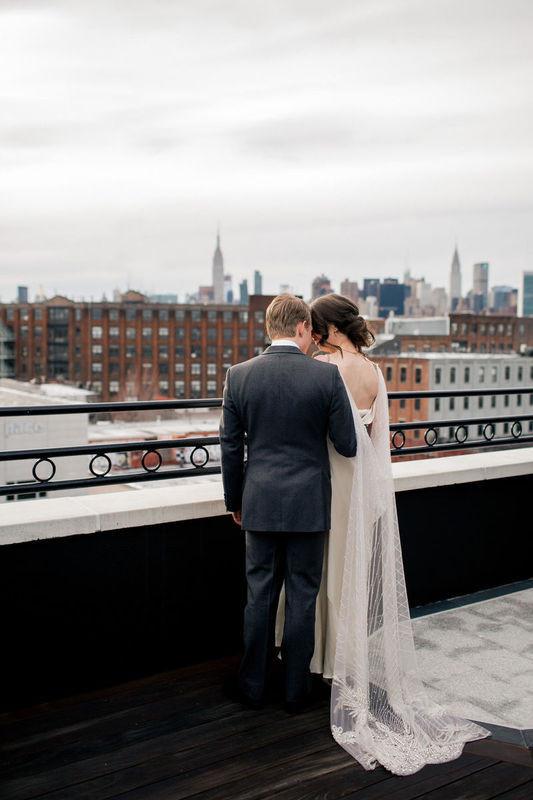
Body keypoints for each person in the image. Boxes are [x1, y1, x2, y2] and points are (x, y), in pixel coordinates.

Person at [274, 293, 491, 775]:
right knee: (345, 580)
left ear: (327, 331)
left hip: (326, 482)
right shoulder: (374, 372)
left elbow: (318, 432)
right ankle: (338, 664)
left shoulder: (327, 371)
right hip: (359, 487)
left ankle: (316, 663)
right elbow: (374, 445)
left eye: (314, 328)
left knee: (318, 576)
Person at [219, 293, 357, 713]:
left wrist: (235, 500)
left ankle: (252, 686)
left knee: (259, 595)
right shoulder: (326, 378)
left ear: (269, 329)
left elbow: (229, 446)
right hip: (309, 504)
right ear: (300, 328)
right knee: (302, 596)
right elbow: (348, 445)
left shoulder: (238, 376)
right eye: (309, 332)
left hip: (258, 500)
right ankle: (297, 690)